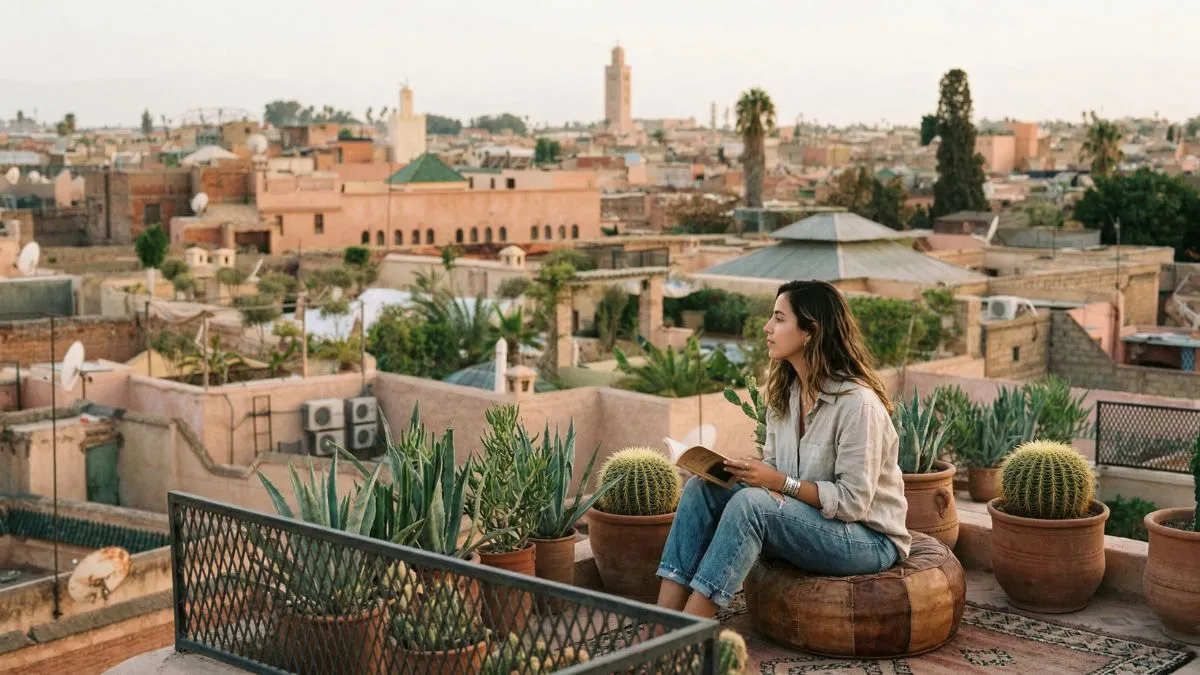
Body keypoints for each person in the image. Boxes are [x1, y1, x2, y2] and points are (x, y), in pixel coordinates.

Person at [653, 280, 910, 619]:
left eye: (778, 318)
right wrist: (746, 471)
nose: (767, 327)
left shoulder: (857, 404)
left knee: (751, 506)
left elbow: (852, 502)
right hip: (811, 520)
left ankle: (685, 633)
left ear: (810, 331)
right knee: (702, 489)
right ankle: (659, 623)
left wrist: (778, 482)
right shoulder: (786, 395)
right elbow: (776, 469)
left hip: (867, 540)